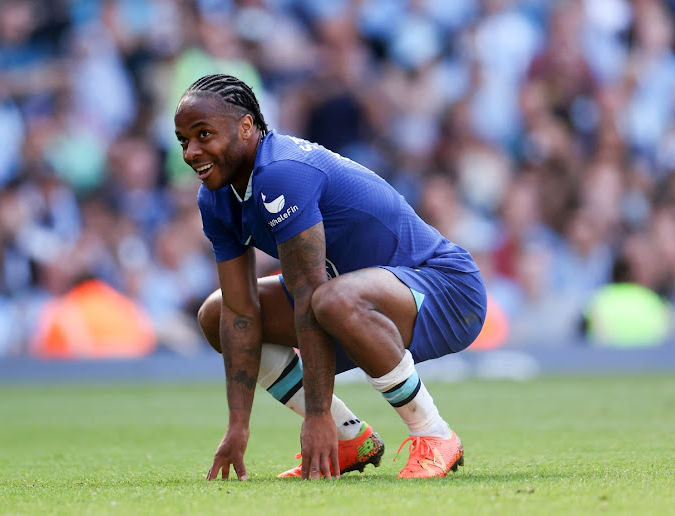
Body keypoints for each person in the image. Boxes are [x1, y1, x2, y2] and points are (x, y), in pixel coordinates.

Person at [174, 74, 487, 480]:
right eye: (184, 141)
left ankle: (434, 434)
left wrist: (315, 416)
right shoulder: (214, 197)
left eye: (203, 135)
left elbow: (310, 294)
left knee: (329, 300)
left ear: (247, 127)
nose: (191, 152)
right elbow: (239, 312)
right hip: (348, 299)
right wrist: (238, 426)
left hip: (447, 288)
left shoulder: (281, 172)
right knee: (215, 312)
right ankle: (349, 438)